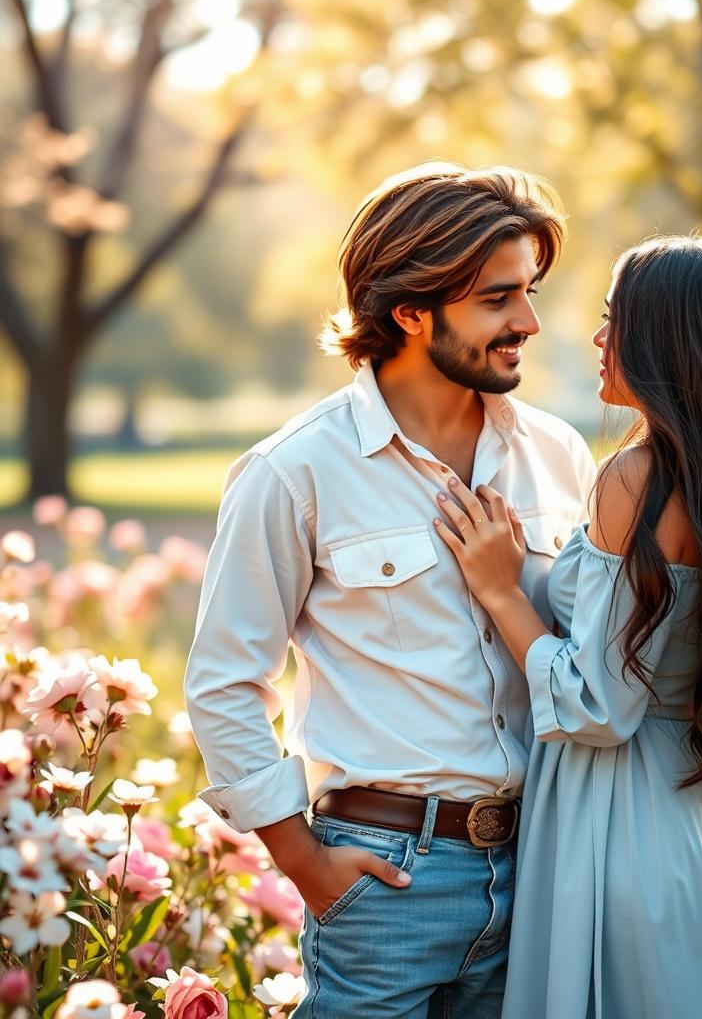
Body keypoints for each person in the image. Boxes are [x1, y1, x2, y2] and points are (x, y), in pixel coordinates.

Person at [183, 162, 597, 1018]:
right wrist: (306, 863)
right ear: (411, 312)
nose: (530, 320)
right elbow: (224, 684)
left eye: (528, 291)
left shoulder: (558, 456)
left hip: (545, 868)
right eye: (498, 299)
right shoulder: (294, 470)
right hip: (386, 877)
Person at [433, 234, 702, 1018]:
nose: (595, 338)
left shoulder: (638, 476)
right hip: (698, 832)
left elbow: (599, 707)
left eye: (616, 319)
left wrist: (501, 591)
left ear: (668, 340)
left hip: (620, 833)